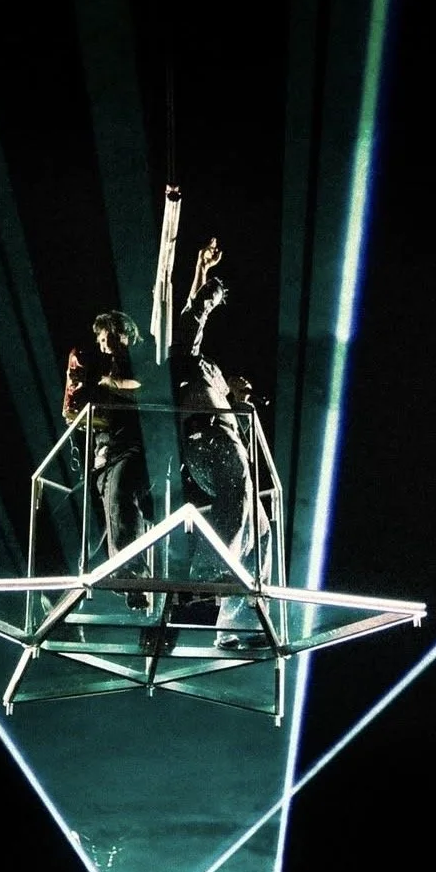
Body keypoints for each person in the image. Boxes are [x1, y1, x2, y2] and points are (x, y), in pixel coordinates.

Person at [171, 242, 272, 647]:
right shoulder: (189, 362)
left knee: (261, 527)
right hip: (205, 438)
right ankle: (208, 573)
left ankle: (233, 625)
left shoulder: (225, 391)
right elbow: (189, 319)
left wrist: (240, 400)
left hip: (224, 441)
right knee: (239, 489)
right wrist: (207, 287)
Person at [62, 310, 153, 611]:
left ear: (119, 331)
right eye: (100, 341)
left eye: (105, 338)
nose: (102, 346)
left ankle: (133, 576)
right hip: (106, 453)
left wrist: (106, 384)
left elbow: (143, 386)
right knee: (90, 514)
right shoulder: (107, 366)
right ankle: (70, 582)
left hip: (134, 448)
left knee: (120, 497)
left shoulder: (144, 357)